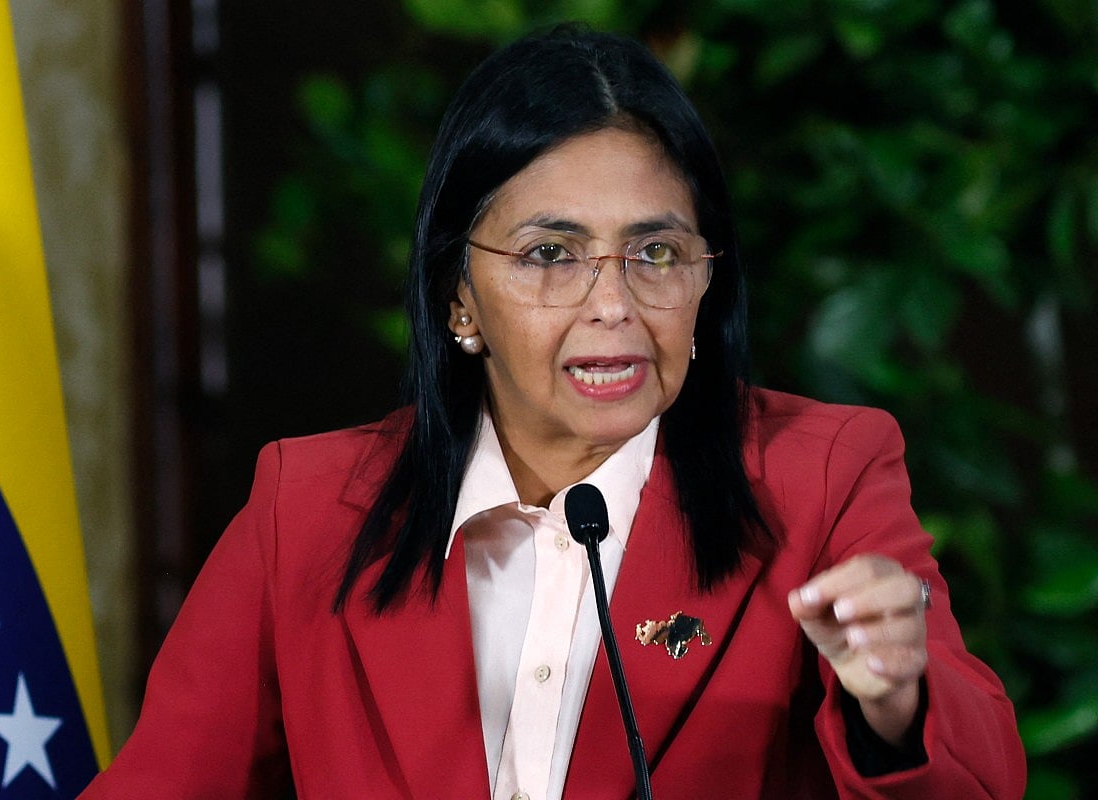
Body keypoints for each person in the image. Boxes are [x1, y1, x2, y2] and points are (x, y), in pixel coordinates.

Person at [80, 25, 1025, 799]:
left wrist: (895, 704)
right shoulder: (308, 505)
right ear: (459, 293)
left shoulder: (822, 475)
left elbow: (981, 782)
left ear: (707, 280)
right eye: (550, 255)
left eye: (656, 254)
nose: (613, 305)